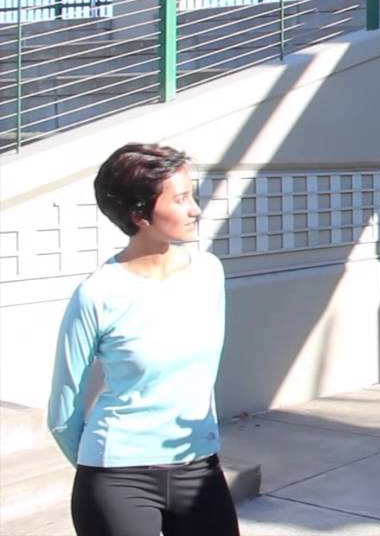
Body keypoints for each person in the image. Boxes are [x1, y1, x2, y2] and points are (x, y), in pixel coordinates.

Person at [47, 143, 240, 536]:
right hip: (117, 479)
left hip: (199, 468)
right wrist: (102, 464)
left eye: (192, 196)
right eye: (181, 199)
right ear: (140, 215)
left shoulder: (208, 273)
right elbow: (63, 411)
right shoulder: (97, 294)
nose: (195, 210)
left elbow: (200, 378)